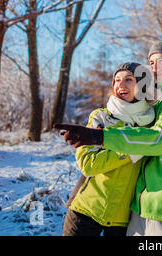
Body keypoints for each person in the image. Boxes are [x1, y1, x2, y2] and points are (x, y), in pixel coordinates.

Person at [56, 38, 162, 236]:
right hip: (141, 206)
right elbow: (89, 164)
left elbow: (160, 138)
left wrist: (101, 137)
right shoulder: (159, 103)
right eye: (152, 63)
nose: (155, 68)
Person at [61, 62, 155, 236]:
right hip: (85, 210)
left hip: (123, 219)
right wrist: (130, 149)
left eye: (128, 80)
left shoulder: (151, 125)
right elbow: (89, 165)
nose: (120, 84)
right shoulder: (101, 117)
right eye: (117, 80)